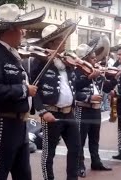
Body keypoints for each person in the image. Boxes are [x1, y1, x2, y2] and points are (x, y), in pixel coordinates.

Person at [0, 4, 45, 180]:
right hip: (1, 123)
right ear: (11, 29)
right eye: (21, 28)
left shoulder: (13, 55)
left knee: (24, 175)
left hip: (19, 125)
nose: (23, 33)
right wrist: (24, 90)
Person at [30, 19, 98, 180]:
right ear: (53, 42)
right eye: (62, 40)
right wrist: (42, 111)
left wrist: (89, 77)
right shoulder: (40, 61)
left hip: (69, 113)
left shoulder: (67, 62)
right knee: (49, 152)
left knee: (75, 149)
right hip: (51, 113)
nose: (65, 42)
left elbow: (74, 85)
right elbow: (33, 89)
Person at [74, 40, 112, 178]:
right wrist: (89, 96)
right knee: (80, 139)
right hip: (82, 109)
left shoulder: (96, 71)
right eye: (92, 57)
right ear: (84, 59)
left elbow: (106, 88)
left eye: (95, 57)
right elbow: (74, 90)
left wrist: (113, 78)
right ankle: (79, 165)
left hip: (95, 110)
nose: (96, 59)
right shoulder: (77, 72)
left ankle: (96, 162)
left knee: (94, 138)